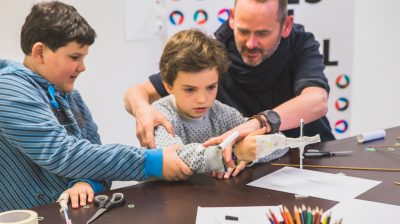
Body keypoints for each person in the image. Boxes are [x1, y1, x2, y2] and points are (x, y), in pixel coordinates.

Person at [0, 1, 191, 212]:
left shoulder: (71, 96)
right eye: (74, 57)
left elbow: (96, 157)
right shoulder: (8, 88)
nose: (82, 67)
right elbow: (63, 154)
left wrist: (87, 183)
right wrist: (151, 162)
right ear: (39, 52)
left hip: (66, 222)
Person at [124, 0, 335, 159]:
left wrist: (259, 124)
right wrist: (143, 111)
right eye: (243, 31)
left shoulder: (300, 44)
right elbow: (136, 93)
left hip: (308, 157)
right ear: (232, 18)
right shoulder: (214, 51)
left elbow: (317, 100)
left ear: (286, 25)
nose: (251, 43)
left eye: (262, 33)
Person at [151, 29, 288, 178]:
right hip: (170, 198)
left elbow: (282, 143)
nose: (202, 99)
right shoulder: (159, 114)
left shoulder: (222, 113)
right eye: (190, 89)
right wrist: (234, 153)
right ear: (168, 86)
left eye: (211, 87)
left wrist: (248, 157)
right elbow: (173, 156)